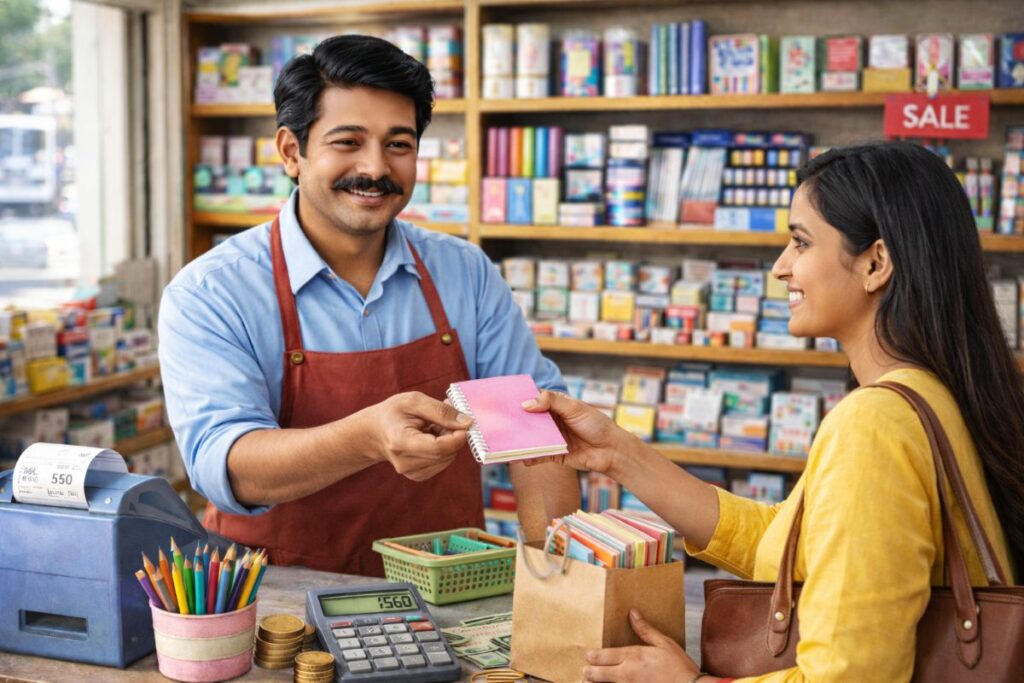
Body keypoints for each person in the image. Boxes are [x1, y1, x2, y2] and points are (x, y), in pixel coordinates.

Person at [524, 142, 1022, 682]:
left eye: (801, 241)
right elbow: (782, 544)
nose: (781, 267)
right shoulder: (933, 394)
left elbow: (850, 678)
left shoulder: (875, 425)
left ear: (876, 263)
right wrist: (616, 454)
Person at [158, 34, 579, 576]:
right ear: (292, 151)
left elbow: (533, 431)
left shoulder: (463, 272)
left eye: (398, 144)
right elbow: (231, 468)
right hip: (274, 601)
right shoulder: (212, 292)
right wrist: (367, 437)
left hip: (448, 589)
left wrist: (561, 583)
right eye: (348, 141)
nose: (376, 168)